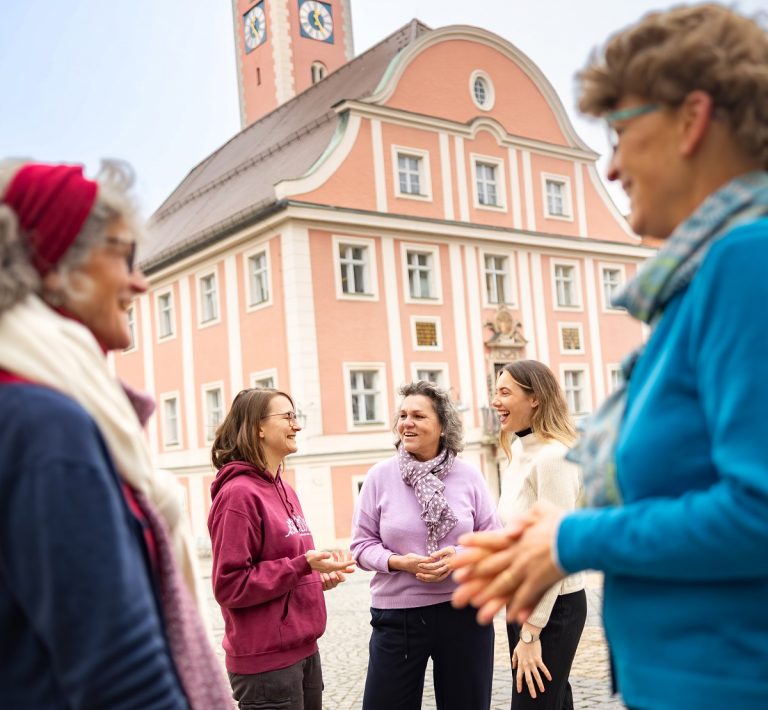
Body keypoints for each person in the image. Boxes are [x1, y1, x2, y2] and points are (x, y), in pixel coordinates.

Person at [450, 5, 768, 710]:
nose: (614, 166)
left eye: (622, 132)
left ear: (693, 118)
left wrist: (572, 537)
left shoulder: (748, 262)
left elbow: (760, 511)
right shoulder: (704, 279)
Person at [0, 160, 231, 708]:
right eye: (122, 254)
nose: (140, 281)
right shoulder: (43, 424)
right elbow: (122, 677)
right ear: (53, 264)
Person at [350, 381, 500, 710]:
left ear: (443, 425)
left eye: (418, 415)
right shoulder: (379, 477)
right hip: (397, 617)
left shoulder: (469, 476)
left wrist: (460, 557)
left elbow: (494, 538)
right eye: (402, 415)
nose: (407, 422)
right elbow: (360, 546)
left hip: (465, 610)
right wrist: (399, 562)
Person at [208, 387, 355, 710]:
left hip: (304, 651)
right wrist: (302, 566)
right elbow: (229, 585)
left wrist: (316, 579)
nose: (297, 425)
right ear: (258, 427)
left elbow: (287, 568)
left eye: (295, 416)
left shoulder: (285, 489)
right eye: (287, 417)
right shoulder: (238, 495)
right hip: (265, 664)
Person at [492, 361, 585, 708]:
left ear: (534, 399)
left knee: (533, 702)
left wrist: (531, 631)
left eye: (505, 392)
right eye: (495, 391)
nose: (495, 401)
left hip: (553, 605)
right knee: (553, 701)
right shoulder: (518, 450)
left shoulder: (554, 457)